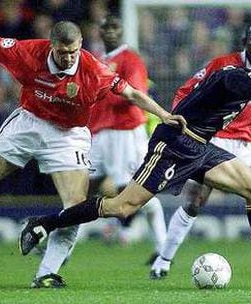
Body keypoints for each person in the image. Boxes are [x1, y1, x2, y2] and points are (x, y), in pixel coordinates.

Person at [0, 20, 185, 289]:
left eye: (74, 52)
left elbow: (131, 93)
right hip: (29, 124)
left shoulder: (94, 69)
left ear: (80, 45)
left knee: (76, 208)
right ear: (52, 46)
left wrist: (162, 114)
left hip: (68, 136)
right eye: (62, 52)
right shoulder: (31, 52)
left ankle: (46, 273)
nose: (68, 57)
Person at [20, 47, 251, 287]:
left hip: (200, 147)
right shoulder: (237, 76)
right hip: (174, 144)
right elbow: (231, 83)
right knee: (123, 207)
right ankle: (45, 222)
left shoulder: (248, 81)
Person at [150, 21, 251, 280]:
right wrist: (185, 125)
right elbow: (186, 91)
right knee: (196, 198)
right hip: (217, 139)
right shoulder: (223, 64)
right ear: (244, 41)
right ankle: (164, 259)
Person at [88, 15, 166, 261]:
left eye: (115, 27)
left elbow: (134, 94)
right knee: (81, 188)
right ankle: (62, 248)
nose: (110, 31)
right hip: (98, 133)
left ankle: (164, 248)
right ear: (99, 31)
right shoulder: (98, 59)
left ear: (121, 31)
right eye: (106, 27)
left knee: (132, 192)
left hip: (125, 132)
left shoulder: (130, 58)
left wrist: (100, 94)